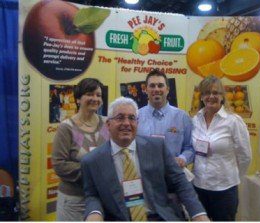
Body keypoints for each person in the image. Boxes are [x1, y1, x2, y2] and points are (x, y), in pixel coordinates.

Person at [81, 97, 209, 221]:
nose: (126, 123)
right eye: (120, 118)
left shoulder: (157, 147)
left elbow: (180, 182)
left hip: (159, 216)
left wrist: (198, 213)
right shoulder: (92, 161)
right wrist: (94, 213)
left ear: (137, 123)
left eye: (131, 118)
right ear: (108, 124)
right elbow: (92, 195)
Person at [192, 75, 252, 221]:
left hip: (224, 190)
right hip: (198, 186)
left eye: (215, 93)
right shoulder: (195, 120)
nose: (211, 96)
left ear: (222, 97)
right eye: (206, 93)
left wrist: (232, 176)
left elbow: (245, 156)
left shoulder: (233, 121)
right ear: (201, 96)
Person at [52, 78, 109, 221]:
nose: (95, 98)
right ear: (78, 99)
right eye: (90, 94)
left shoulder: (107, 124)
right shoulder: (66, 128)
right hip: (74, 201)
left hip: (103, 199)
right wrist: (94, 172)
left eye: (98, 95)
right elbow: (59, 165)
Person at [137, 69, 194, 168]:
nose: (156, 89)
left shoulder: (182, 117)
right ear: (145, 90)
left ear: (167, 89)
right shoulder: (136, 116)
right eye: (152, 86)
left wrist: (183, 159)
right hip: (145, 176)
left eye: (160, 85)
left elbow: (190, 147)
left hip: (173, 175)